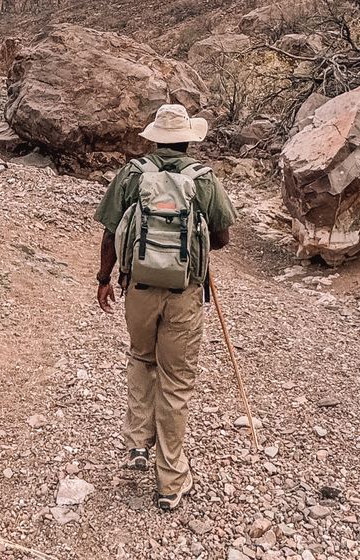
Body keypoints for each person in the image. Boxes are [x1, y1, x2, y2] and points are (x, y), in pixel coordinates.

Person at [93, 104, 236, 511]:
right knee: (176, 382)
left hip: (137, 287)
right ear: (189, 139)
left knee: (141, 358)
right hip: (184, 294)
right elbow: (224, 238)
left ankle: (137, 444)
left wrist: (104, 279)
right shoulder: (204, 180)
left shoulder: (133, 174)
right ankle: (171, 482)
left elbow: (109, 233)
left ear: (154, 137)